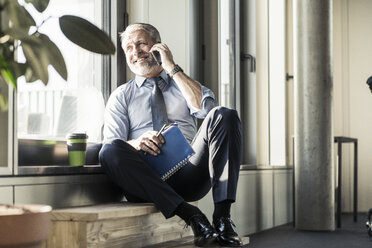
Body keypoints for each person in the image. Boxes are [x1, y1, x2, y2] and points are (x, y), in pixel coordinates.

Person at [99, 23, 243, 247]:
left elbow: (206, 109)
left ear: (157, 46)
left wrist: (172, 68)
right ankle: (192, 217)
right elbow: (113, 143)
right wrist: (137, 143)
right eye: (128, 47)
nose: (135, 51)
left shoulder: (181, 84)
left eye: (141, 44)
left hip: (189, 172)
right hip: (147, 179)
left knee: (225, 115)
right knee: (109, 149)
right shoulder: (121, 96)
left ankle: (223, 217)